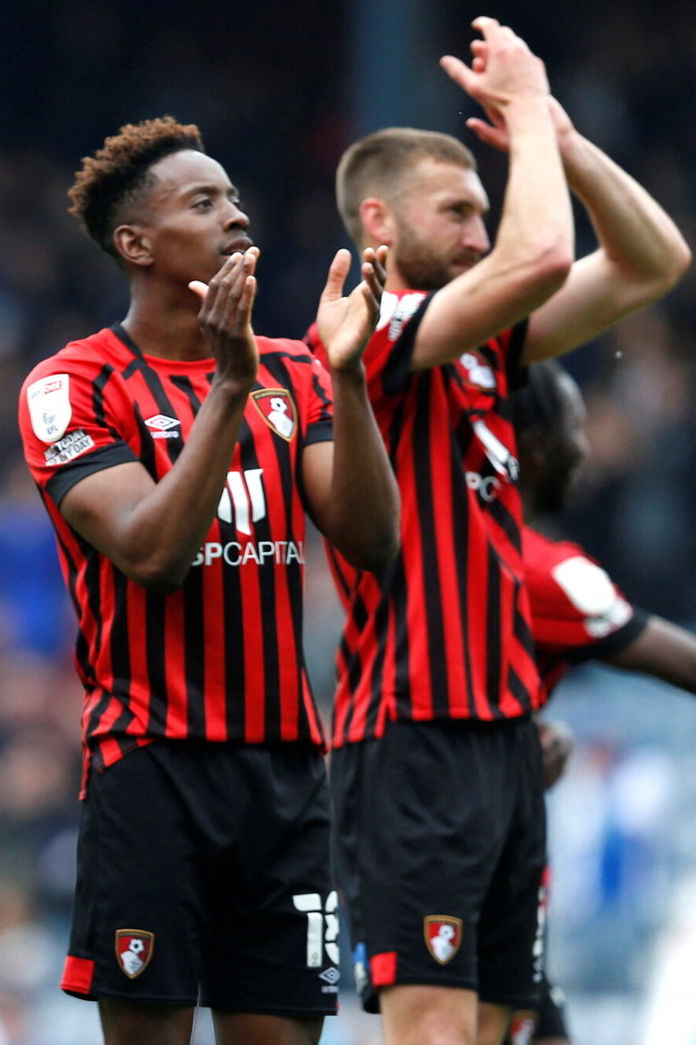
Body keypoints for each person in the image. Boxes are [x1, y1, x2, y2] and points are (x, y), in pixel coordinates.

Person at [319, 16, 689, 1045]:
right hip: (412, 737)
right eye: (457, 213)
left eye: (485, 212)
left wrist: (561, 142)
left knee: (498, 1033)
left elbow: (654, 260)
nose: (480, 234)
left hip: (499, 741)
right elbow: (536, 256)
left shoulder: (488, 353)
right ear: (380, 224)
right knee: (431, 1034)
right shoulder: (370, 330)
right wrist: (524, 115)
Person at [19, 115, 399, 1045]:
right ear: (136, 244)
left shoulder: (298, 371)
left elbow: (372, 539)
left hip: (285, 775)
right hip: (151, 767)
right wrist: (227, 392)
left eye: (233, 197)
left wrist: (348, 383)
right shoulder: (73, 385)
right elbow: (151, 553)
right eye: (204, 201)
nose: (236, 217)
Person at [500, 360, 696, 1045]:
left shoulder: (429, 547)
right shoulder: (543, 570)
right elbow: (682, 661)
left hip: (472, 854)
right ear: (530, 446)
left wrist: (512, 738)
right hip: (455, 855)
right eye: (574, 427)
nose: (586, 448)